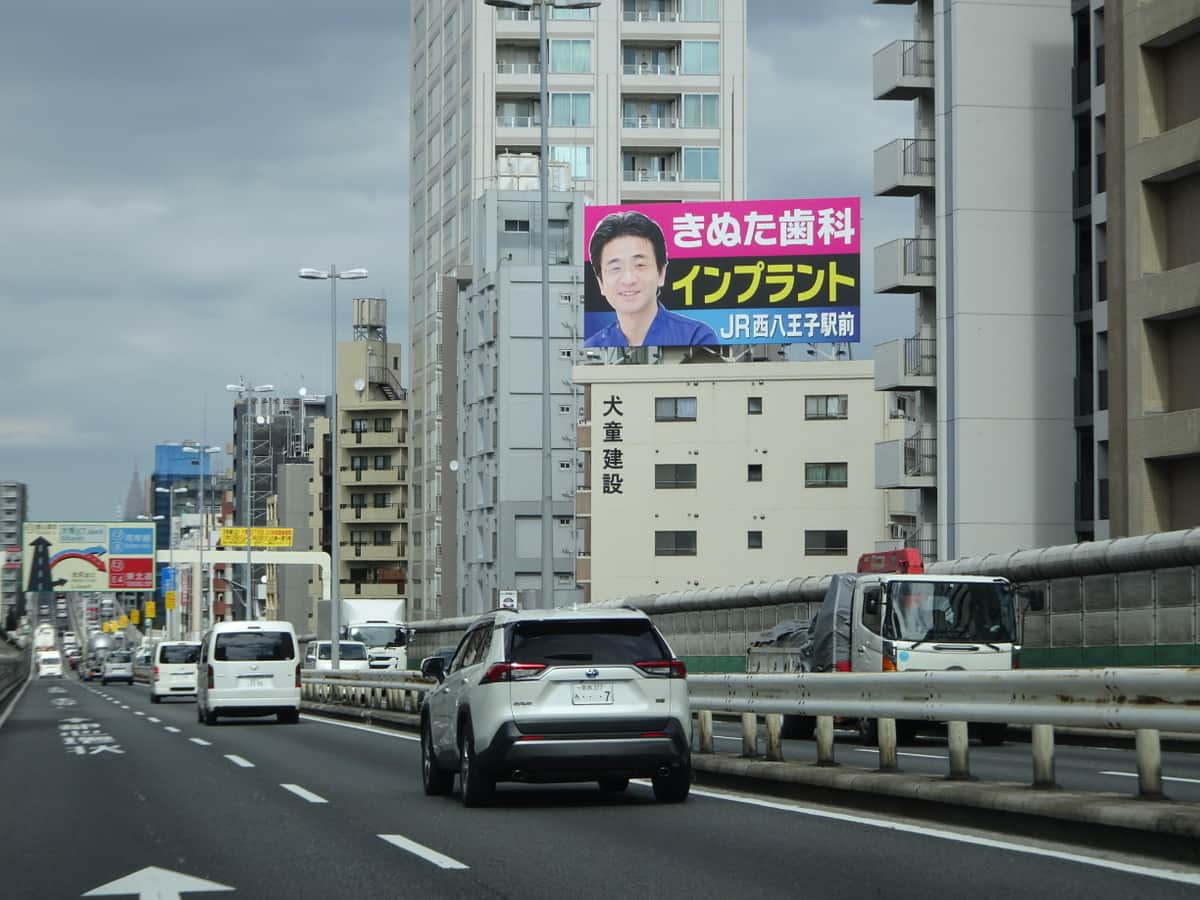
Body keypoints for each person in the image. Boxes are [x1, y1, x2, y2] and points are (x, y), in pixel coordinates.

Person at [585, 210, 719, 348]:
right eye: (615, 268)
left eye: (640, 265)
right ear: (601, 282)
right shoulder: (591, 349)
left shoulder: (695, 337)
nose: (628, 279)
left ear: (661, 272)